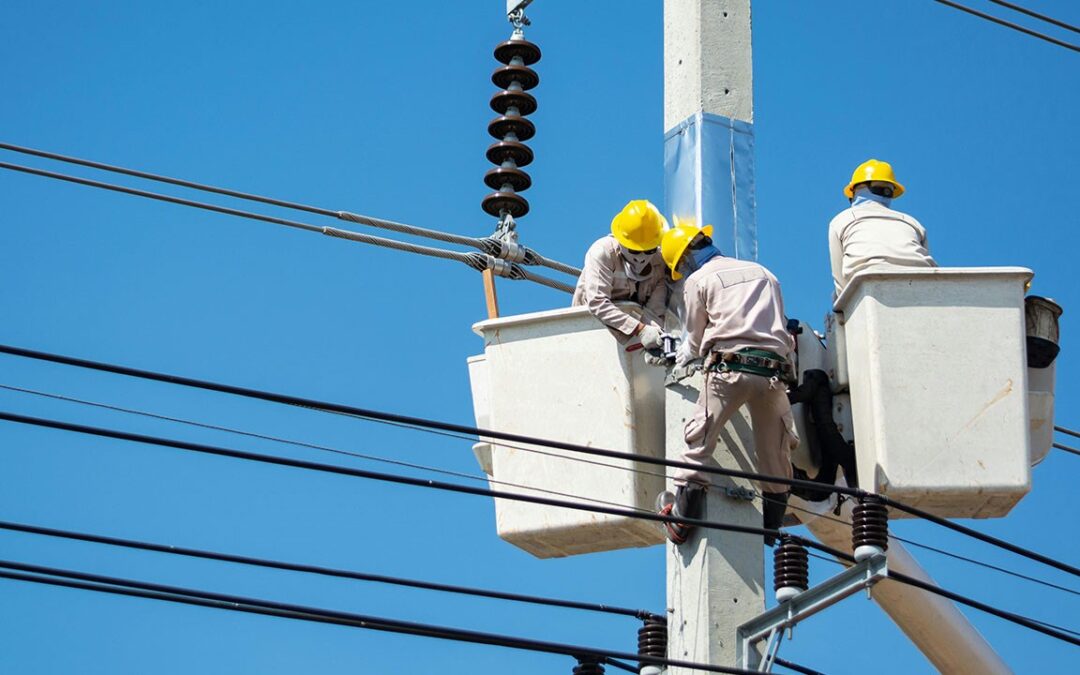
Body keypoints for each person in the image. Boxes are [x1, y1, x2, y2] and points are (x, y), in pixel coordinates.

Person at [657, 222, 797, 545]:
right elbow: (783, 331)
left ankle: (680, 521)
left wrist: (676, 362)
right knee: (776, 458)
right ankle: (771, 529)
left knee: (698, 443)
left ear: (684, 261)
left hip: (728, 371)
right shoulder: (764, 273)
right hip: (772, 375)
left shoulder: (698, 280)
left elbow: (692, 342)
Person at [829, 159, 936, 297]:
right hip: (924, 287)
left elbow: (840, 282)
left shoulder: (842, 220)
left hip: (869, 288)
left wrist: (843, 314)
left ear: (857, 190)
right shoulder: (912, 222)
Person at [572, 200, 668, 349]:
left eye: (649, 250)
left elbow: (655, 312)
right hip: (591, 327)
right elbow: (597, 302)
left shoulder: (659, 263)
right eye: (634, 250)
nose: (641, 257)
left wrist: (658, 339)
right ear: (622, 241)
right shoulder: (603, 252)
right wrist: (640, 330)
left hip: (634, 331)